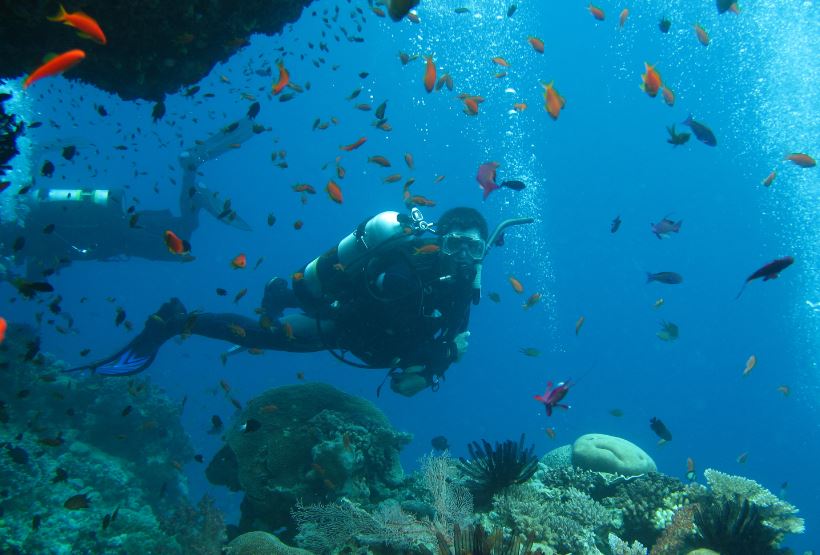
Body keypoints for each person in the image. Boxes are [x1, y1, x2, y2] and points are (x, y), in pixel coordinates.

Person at [66, 206, 533, 396]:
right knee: (271, 336)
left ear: (485, 249)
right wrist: (436, 354)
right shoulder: (407, 269)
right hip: (343, 323)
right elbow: (395, 322)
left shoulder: (462, 286)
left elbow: (439, 337)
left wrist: (441, 355)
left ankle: (282, 291)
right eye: (456, 245)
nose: (464, 256)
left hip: (364, 336)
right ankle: (175, 321)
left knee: (279, 320)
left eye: (474, 248)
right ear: (440, 239)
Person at [0, 116, 259, 280]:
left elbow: (38, 275)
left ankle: (192, 176)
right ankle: (192, 178)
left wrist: (16, 279)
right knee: (183, 231)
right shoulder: (28, 227)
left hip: (122, 235)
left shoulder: (28, 240)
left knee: (183, 242)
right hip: (124, 222)